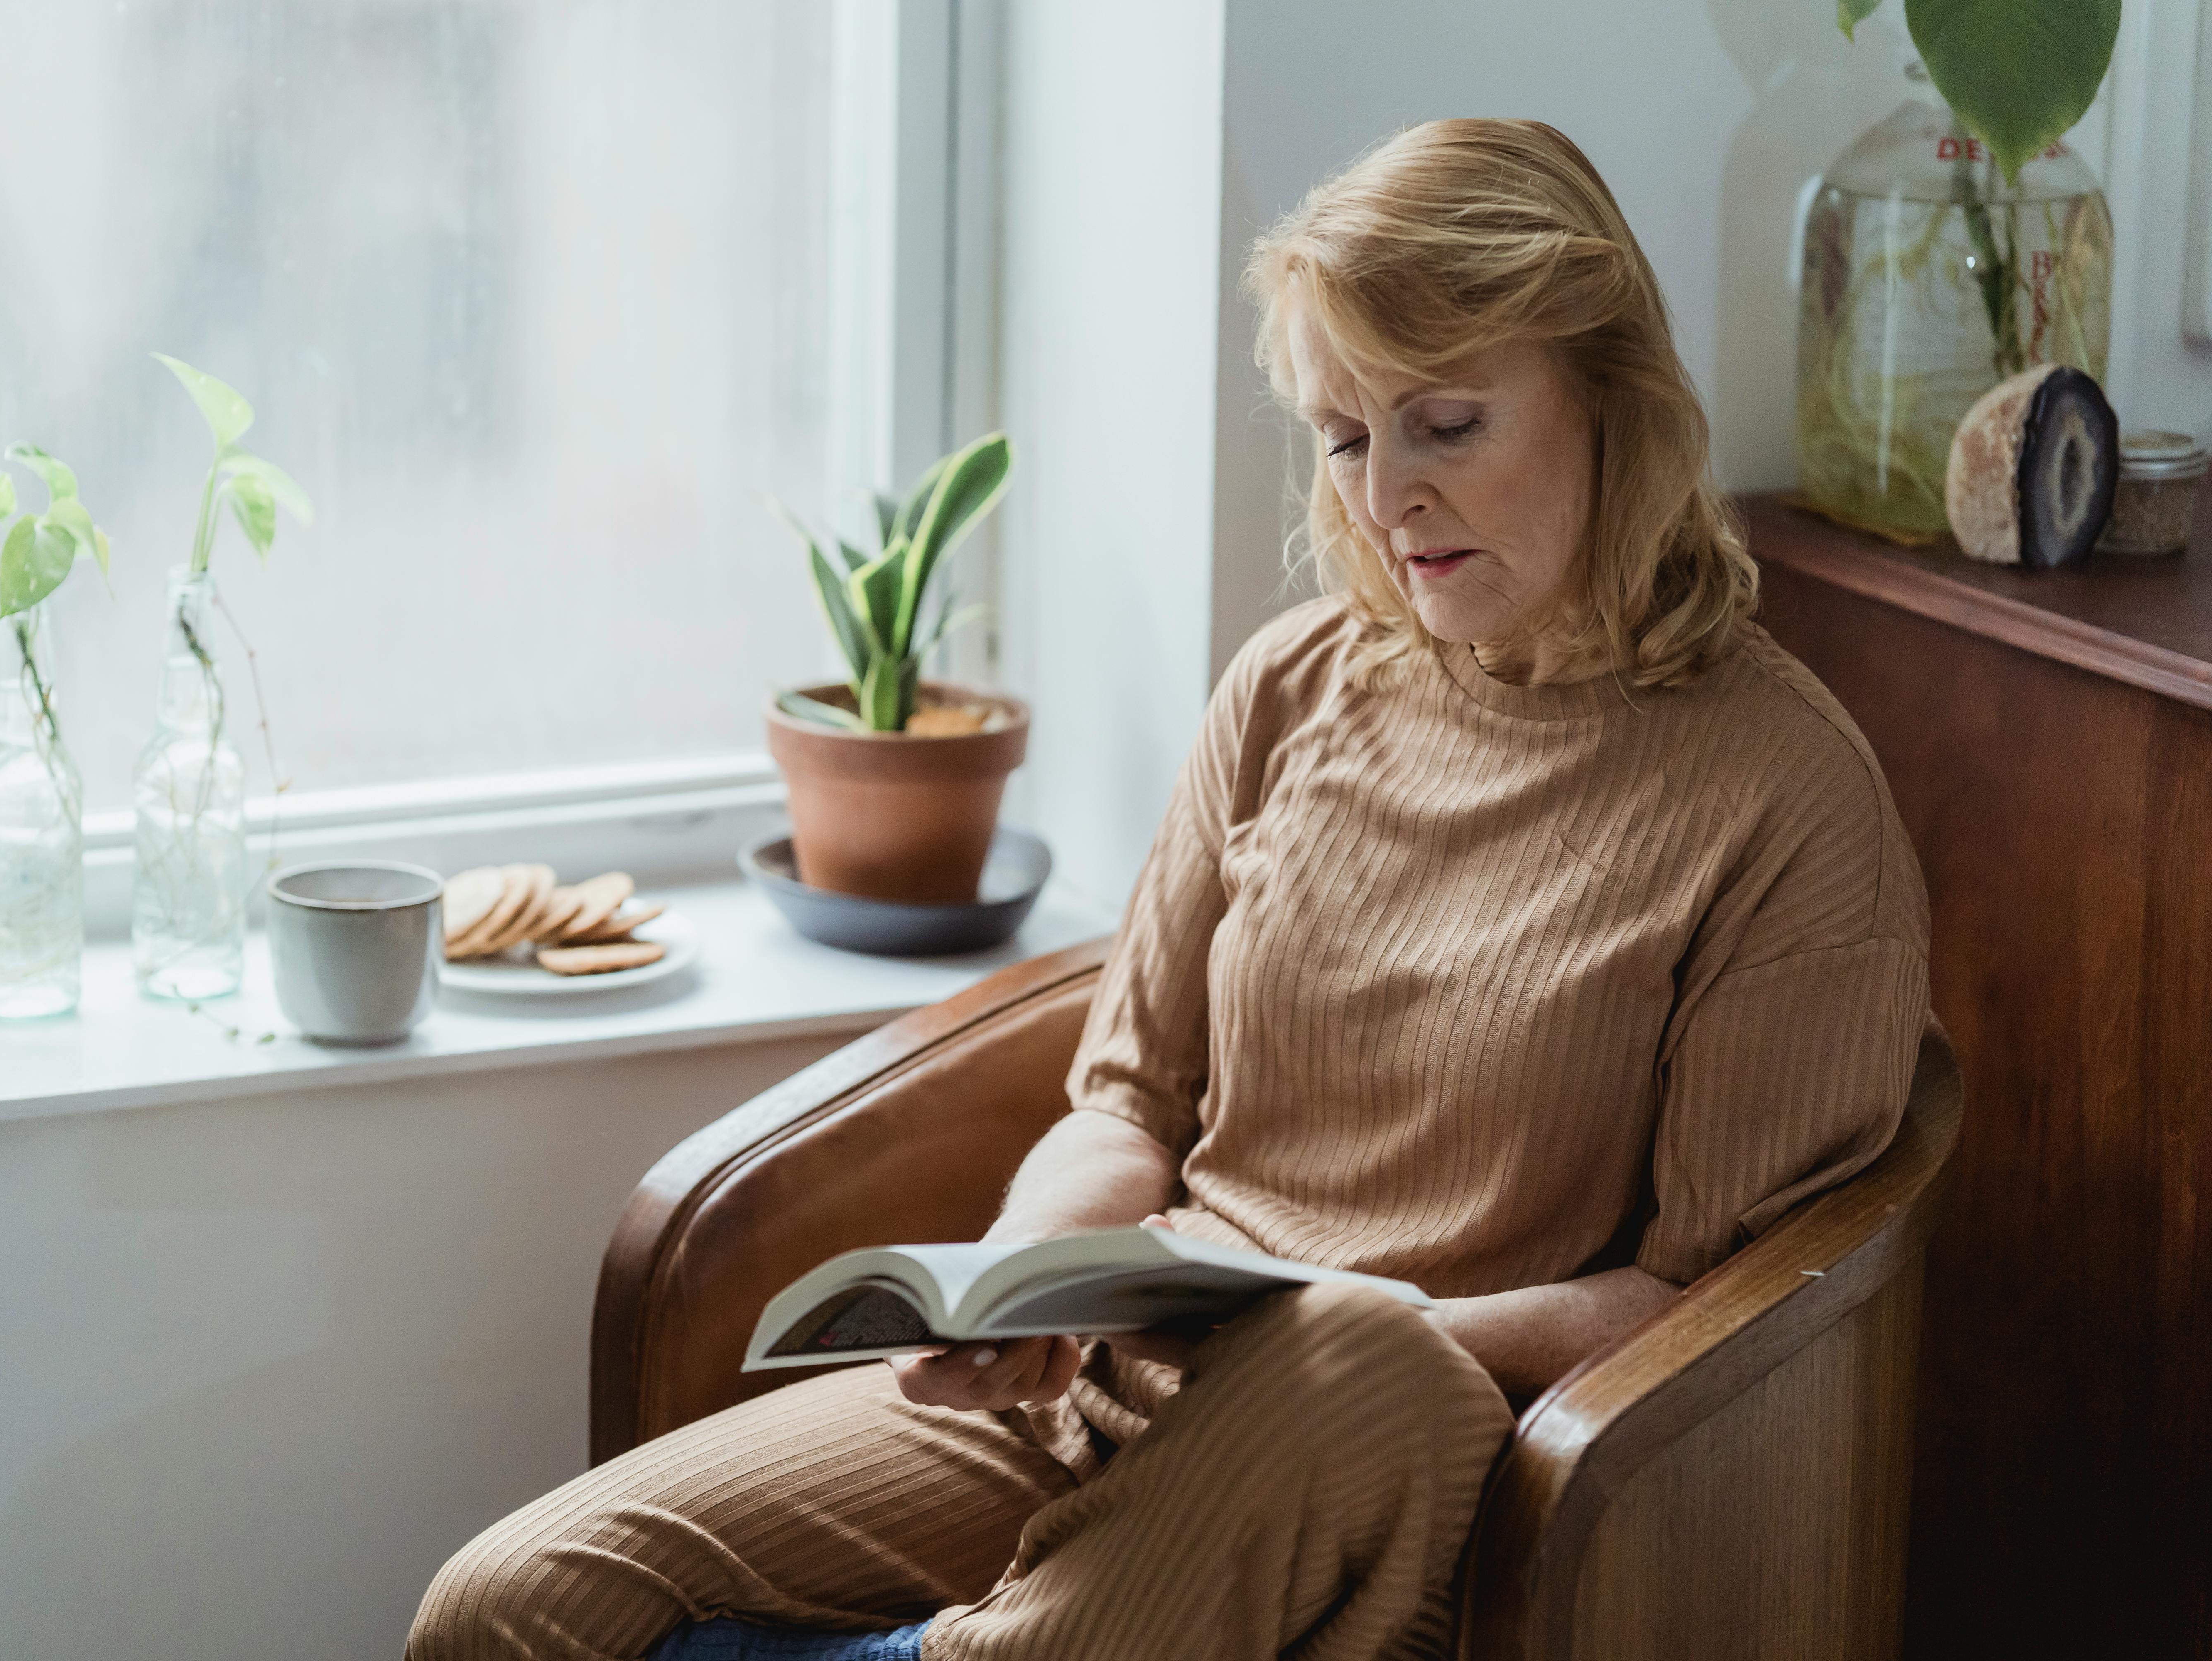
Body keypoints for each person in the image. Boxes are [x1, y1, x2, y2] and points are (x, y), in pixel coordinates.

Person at [407, 117, 1931, 1661]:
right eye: (1345, 437)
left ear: (1614, 402)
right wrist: (1025, 1284)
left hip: (1413, 1441)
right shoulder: (1288, 686)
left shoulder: (1784, 796)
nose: (1385, 497)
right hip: (1123, 1380)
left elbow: (1714, 1315)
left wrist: (1372, 1334)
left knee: (1350, 1349)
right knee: (511, 1608)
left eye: (1447, 425)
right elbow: (1124, 1107)